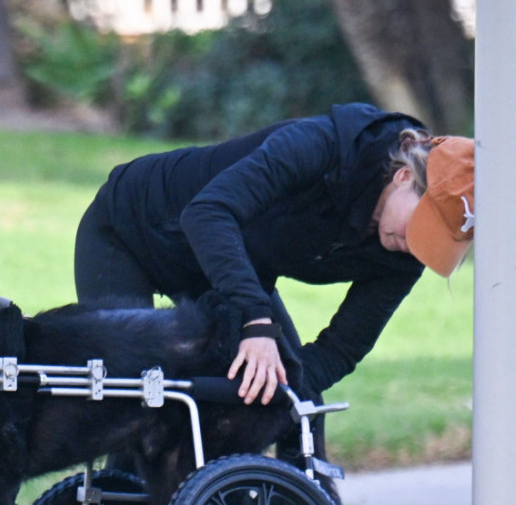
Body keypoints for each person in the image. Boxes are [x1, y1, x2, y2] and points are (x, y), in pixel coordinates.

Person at [74, 102, 474, 407]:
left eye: (433, 242)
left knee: (298, 411)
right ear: (404, 176)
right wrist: (256, 321)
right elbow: (207, 213)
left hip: (224, 272)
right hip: (134, 228)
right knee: (140, 402)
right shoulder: (322, 147)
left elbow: (342, 347)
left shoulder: (404, 253)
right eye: (420, 228)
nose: (414, 244)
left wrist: (284, 393)